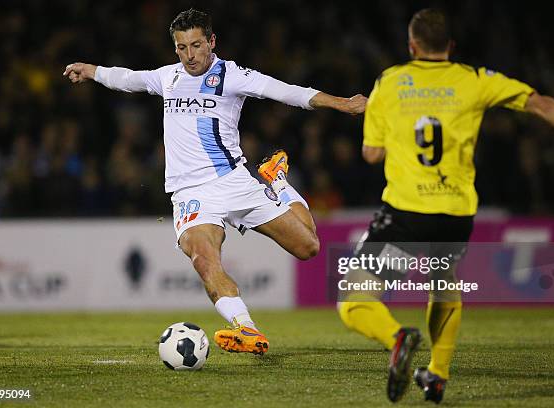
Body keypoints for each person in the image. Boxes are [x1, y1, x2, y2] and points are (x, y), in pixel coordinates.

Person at [63, 8, 367, 355]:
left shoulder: (232, 75)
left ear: (211, 42)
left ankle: (277, 180)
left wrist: (343, 103)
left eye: (195, 45)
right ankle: (247, 329)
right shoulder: (168, 77)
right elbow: (129, 78)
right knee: (203, 258)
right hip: (192, 193)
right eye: (181, 48)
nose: (189, 55)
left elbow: (287, 92)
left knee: (308, 247)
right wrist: (92, 71)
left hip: (235, 182)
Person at [337, 8, 554, 404]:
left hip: (407, 212)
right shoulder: (474, 80)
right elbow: (543, 104)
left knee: (355, 298)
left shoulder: (391, 82)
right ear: (450, 47)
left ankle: (397, 337)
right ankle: (437, 374)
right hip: (456, 214)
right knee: (443, 284)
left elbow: (371, 154)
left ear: (411, 45)